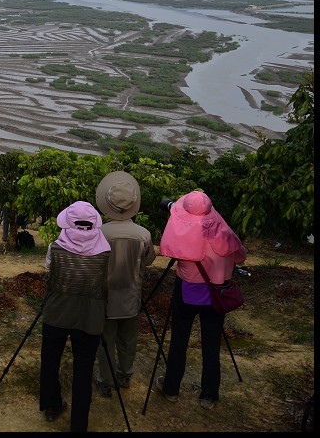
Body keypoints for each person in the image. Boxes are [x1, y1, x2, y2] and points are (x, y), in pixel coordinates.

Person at [155, 191, 247, 410]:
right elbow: (240, 255)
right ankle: (209, 395)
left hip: (187, 292)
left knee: (179, 341)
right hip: (217, 295)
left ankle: (171, 389)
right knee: (212, 345)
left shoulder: (182, 236)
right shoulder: (224, 233)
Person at [39, 201, 110, 432]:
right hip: (89, 317)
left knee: (50, 361)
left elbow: (49, 270)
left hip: (56, 312)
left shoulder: (56, 247)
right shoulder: (105, 251)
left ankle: (52, 406)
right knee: (83, 369)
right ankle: (79, 424)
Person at [93, 171, 156, 398]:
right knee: (128, 339)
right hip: (131, 295)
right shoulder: (143, 234)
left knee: (106, 339)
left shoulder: (99, 233)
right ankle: (125, 375)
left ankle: (106, 380)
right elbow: (148, 261)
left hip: (105, 297)